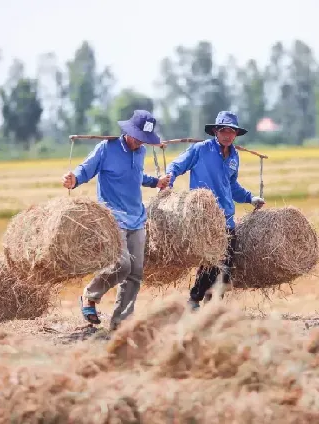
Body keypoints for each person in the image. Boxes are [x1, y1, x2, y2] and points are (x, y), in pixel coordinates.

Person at [62, 110, 170, 330]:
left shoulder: (140, 152)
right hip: (113, 217)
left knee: (136, 272)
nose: (140, 142)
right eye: (138, 136)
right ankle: (90, 295)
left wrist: (155, 182)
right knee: (122, 265)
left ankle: (121, 323)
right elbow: (86, 169)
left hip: (137, 218)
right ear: (128, 131)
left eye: (144, 139)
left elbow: (136, 176)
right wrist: (74, 179)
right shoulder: (106, 148)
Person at [165, 111, 265, 310]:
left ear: (236, 134)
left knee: (226, 267)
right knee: (211, 261)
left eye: (232, 131)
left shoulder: (234, 155)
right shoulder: (200, 149)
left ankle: (212, 307)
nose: (228, 135)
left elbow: (232, 185)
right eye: (224, 131)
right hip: (205, 216)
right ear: (216, 131)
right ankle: (194, 299)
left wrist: (250, 198)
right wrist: (169, 180)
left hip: (227, 217)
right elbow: (177, 165)